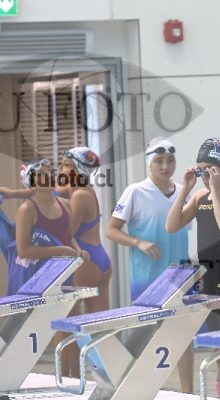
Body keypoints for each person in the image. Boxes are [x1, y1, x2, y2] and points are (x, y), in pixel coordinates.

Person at [106, 137, 192, 393]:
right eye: (159, 161)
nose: (165, 166)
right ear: (149, 163)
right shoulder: (135, 191)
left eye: (170, 161)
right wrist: (138, 242)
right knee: (147, 340)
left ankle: (189, 393)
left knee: (184, 337)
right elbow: (111, 230)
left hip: (178, 278)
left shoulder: (183, 191)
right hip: (147, 280)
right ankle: (140, 393)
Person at [165, 137, 220, 399]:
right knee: (218, 350)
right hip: (209, 278)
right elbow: (172, 225)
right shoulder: (199, 196)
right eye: (201, 170)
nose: (204, 176)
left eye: (209, 170)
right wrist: (184, 190)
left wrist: (214, 189)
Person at [14, 159, 90, 378]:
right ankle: (60, 378)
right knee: (45, 330)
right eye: (41, 174)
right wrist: (60, 250)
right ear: (31, 181)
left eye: (50, 172)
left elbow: (69, 236)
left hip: (64, 274)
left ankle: (75, 379)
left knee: (71, 327)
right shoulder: (27, 209)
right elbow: (23, 250)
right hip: (39, 278)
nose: (48, 176)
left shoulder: (65, 205)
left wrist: (78, 251)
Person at [60, 147, 111, 313]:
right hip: (101, 259)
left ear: (79, 170)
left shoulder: (79, 196)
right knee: (100, 322)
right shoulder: (86, 189)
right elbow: (53, 190)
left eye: (66, 165)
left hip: (85, 261)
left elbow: (67, 234)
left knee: (66, 321)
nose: (61, 169)